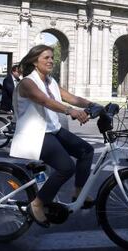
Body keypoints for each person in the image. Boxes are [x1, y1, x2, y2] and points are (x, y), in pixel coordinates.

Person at [10, 44, 96, 227]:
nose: (51, 61)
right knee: (66, 168)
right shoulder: (27, 83)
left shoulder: (51, 81)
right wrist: (70, 111)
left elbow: (71, 97)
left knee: (86, 151)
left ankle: (78, 192)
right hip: (34, 134)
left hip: (52, 130)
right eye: (46, 58)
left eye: (51, 57)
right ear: (34, 61)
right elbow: (45, 101)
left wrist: (94, 105)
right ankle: (37, 204)